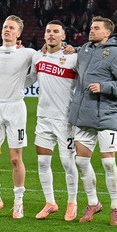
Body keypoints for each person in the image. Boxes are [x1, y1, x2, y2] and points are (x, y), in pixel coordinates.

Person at [68, 16, 117, 225]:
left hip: (107, 116)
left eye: (96, 28)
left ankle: (115, 207)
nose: (91, 30)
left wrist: (105, 87)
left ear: (108, 33)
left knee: (108, 162)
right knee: (81, 161)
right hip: (84, 116)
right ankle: (93, 203)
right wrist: (68, 49)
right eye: (91, 27)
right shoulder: (85, 50)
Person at [0, 15, 38, 218]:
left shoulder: (28, 53)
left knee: (14, 159)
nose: (7, 30)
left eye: (11, 28)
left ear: (19, 33)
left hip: (16, 110)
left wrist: (23, 84)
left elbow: (40, 66)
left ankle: (19, 202)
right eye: (5, 27)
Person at [27, 21, 79, 220]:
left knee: (67, 162)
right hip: (43, 118)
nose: (51, 34)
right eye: (48, 31)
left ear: (63, 36)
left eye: (56, 31)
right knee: (42, 162)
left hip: (65, 120)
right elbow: (30, 78)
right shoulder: (38, 57)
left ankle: (72, 202)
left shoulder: (73, 59)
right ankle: (50, 202)